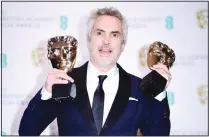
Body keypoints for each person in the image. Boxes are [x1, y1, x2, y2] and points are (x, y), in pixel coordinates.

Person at [19, 7, 171, 136]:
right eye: (99, 33)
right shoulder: (64, 80)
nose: (106, 41)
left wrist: (159, 94)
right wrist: (46, 92)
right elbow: (27, 131)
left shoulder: (139, 88)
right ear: (88, 39)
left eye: (114, 34)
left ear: (123, 44)